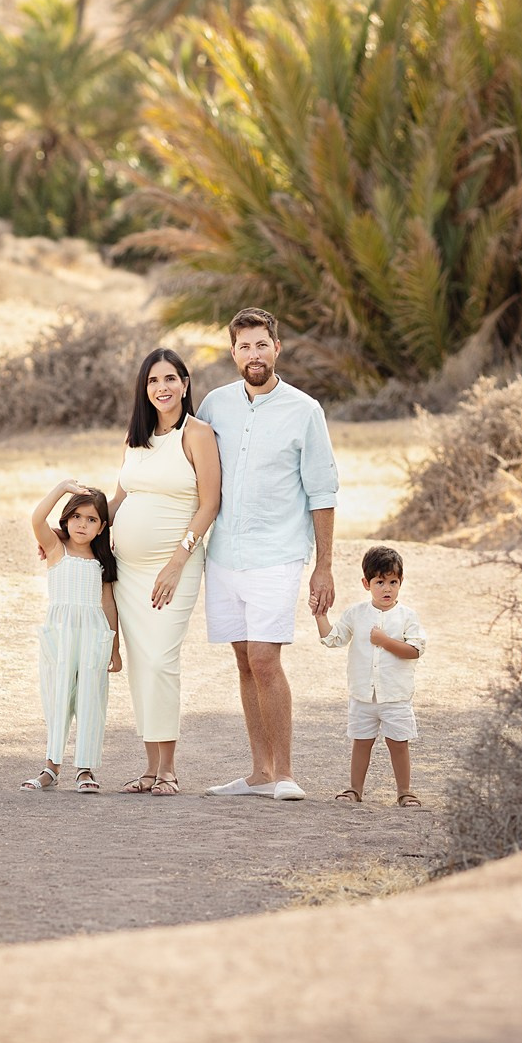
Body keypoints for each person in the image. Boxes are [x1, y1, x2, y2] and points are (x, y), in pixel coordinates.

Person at [197, 307, 337, 801]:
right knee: (243, 660)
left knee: (264, 658)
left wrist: (324, 566)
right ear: (233, 353)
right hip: (223, 554)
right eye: (244, 347)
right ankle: (259, 773)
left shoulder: (305, 410)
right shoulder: (214, 405)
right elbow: (190, 469)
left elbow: (322, 491)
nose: (253, 355)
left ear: (277, 348)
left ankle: (285, 774)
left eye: (262, 345)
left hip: (277, 553)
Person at [108, 347, 222, 795]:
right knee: (141, 665)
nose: (162, 387)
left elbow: (209, 503)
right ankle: (150, 768)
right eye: (153, 380)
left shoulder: (197, 434)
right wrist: (71, 531)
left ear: (185, 384)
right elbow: (119, 500)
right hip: (128, 570)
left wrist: (177, 563)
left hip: (175, 566)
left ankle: (169, 768)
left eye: (170, 378)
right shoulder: (135, 438)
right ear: (144, 388)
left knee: (160, 659)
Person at [25, 482, 122, 792]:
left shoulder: (102, 560)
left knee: (91, 699)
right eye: (77, 516)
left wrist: (114, 648)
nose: (82, 524)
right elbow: (37, 519)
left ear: (102, 527)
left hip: (93, 634)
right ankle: (51, 767)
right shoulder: (56, 549)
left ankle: (85, 770)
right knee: (57, 697)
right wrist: (62, 488)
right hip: (60, 635)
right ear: (66, 518)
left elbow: (108, 604)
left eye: (91, 519)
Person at [319, 545, 426, 806]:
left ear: (401, 582)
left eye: (393, 582)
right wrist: (320, 615)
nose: (386, 589)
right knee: (361, 742)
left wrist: (384, 641)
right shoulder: (356, 614)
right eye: (380, 582)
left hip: (395, 696)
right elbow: (333, 639)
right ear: (366, 583)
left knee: (398, 743)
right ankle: (354, 790)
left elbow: (414, 650)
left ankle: (405, 792)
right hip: (363, 696)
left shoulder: (407, 616)